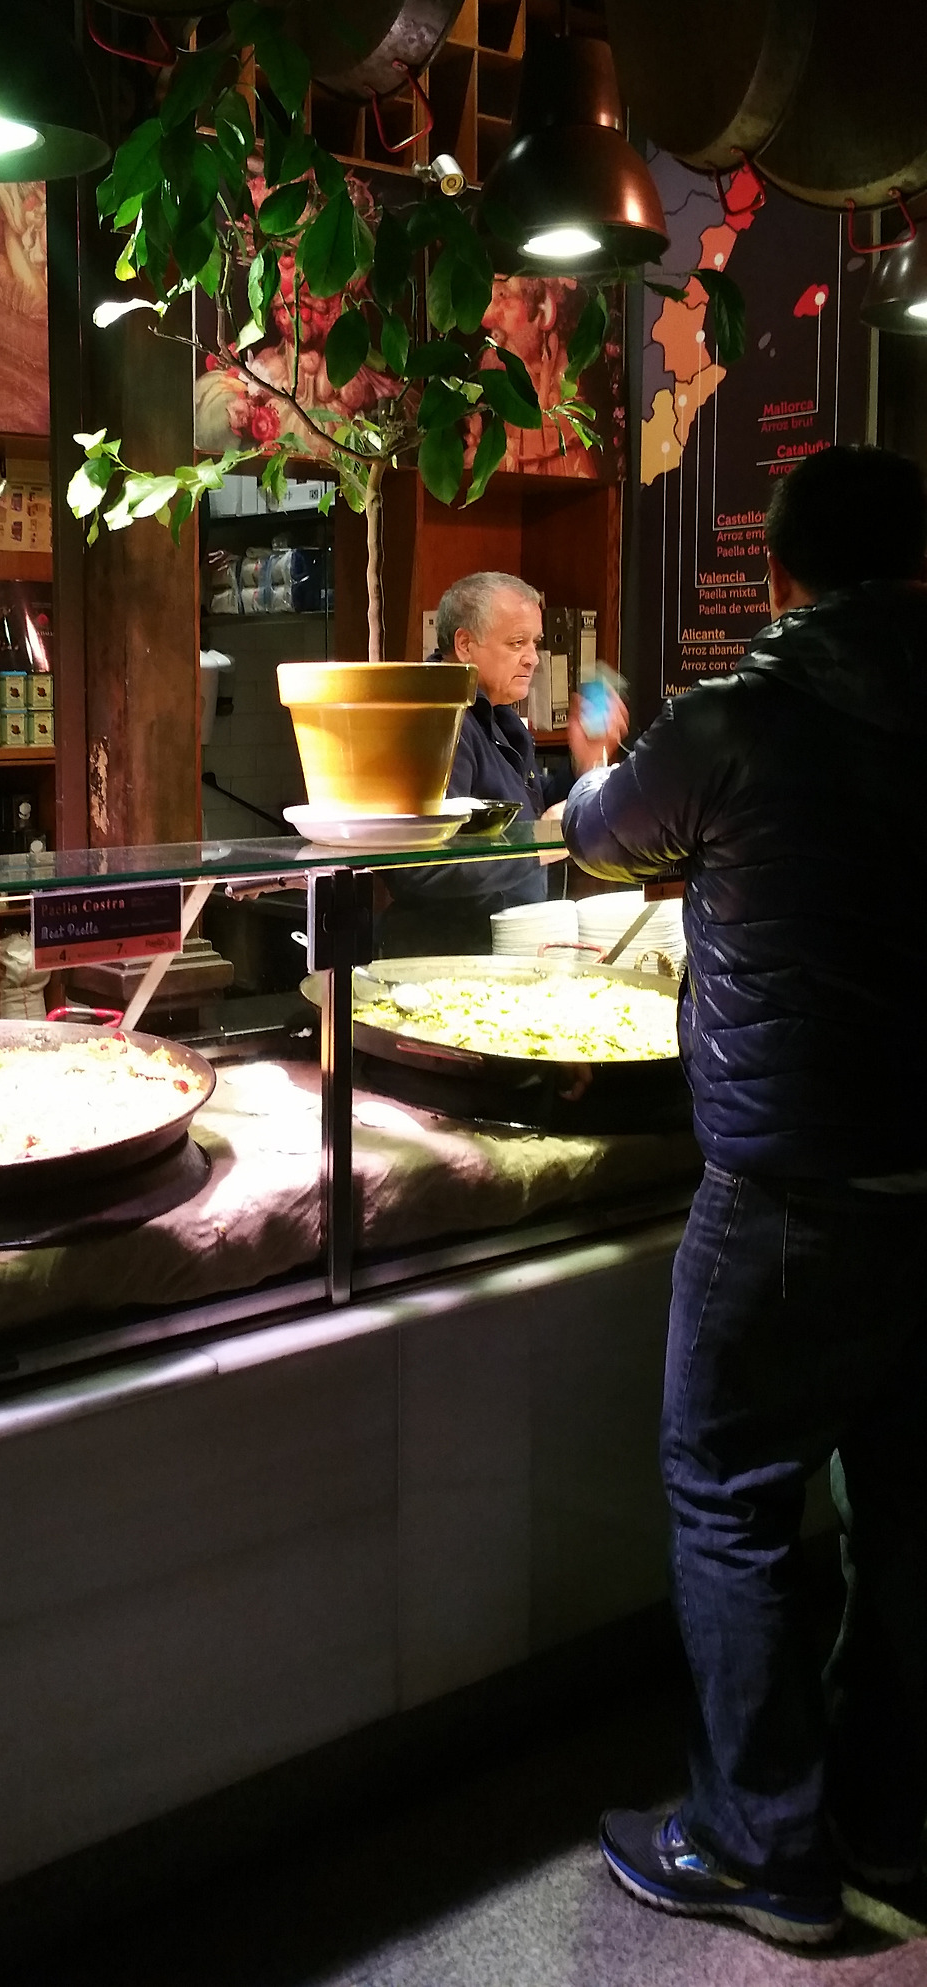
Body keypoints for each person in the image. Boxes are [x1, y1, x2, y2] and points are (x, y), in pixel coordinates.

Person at [562, 444, 927, 1947]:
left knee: (727, 1492)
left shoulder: (737, 716)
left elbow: (594, 834)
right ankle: (894, 1823)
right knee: (910, 1514)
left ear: (774, 570)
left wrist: (599, 750)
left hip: (786, 1189)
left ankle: (757, 1844)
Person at [380, 571, 621, 956]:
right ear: (465, 644)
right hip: (451, 960)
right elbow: (420, 867)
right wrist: (537, 844)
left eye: (535, 643)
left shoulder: (497, 716)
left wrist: (583, 763)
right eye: (516, 643)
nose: (533, 659)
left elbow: (524, 811)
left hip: (506, 951)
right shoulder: (436, 721)